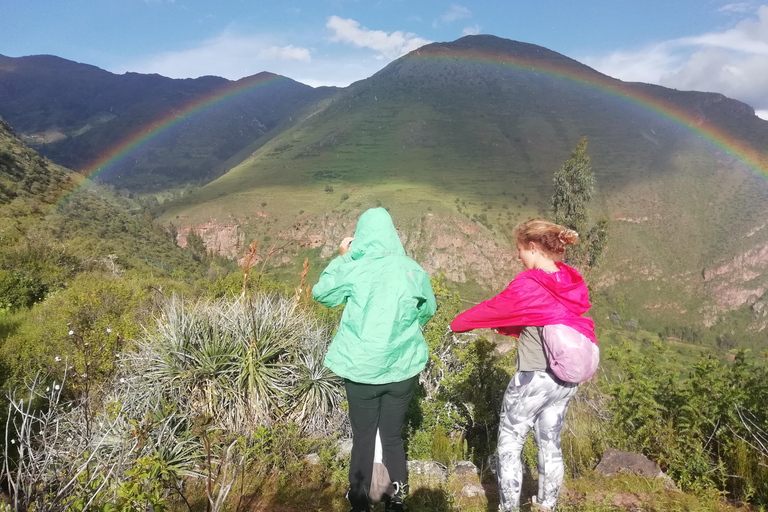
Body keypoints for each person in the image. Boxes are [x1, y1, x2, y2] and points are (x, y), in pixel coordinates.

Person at [449, 218, 596, 512]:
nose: (518, 256)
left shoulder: (530, 283)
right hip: (564, 380)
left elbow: (493, 308)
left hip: (533, 378)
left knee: (509, 446)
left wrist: (457, 323)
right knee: (550, 444)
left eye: (519, 249)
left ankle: (508, 509)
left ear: (532, 246)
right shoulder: (570, 280)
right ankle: (547, 506)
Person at [312, 207, 437, 512]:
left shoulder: (355, 268)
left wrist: (344, 257)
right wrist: (405, 330)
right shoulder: (412, 269)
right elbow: (428, 309)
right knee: (392, 437)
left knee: (364, 438)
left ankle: (359, 501)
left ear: (362, 236)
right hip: (402, 368)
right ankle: (397, 500)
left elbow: (322, 294)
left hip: (361, 370)